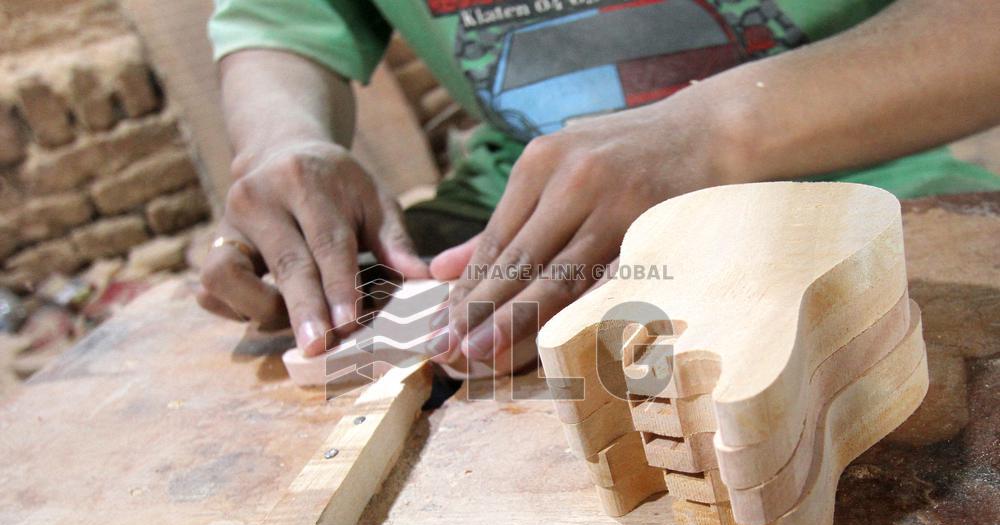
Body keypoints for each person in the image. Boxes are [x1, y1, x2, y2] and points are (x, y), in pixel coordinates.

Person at [197, 0, 1000, 368]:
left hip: (851, 170)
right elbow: (277, 23)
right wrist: (283, 142)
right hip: (511, 207)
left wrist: (710, 130)